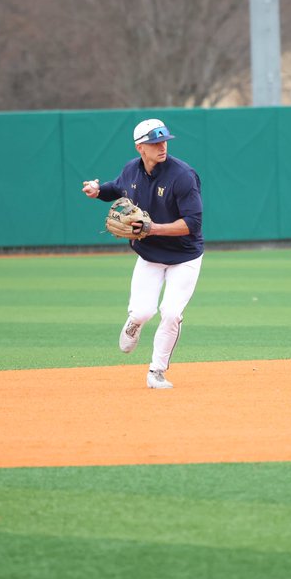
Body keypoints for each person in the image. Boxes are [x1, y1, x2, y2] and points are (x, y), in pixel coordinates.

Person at [81, 118, 204, 389]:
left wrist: (153, 228)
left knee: (171, 313)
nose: (162, 146)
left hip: (185, 256)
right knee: (142, 312)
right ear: (140, 148)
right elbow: (117, 188)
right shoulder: (131, 170)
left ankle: (156, 371)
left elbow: (193, 223)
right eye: (155, 142)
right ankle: (134, 323)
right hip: (149, 255)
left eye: (164, 141)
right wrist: (98, 191)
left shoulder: (183, 175)